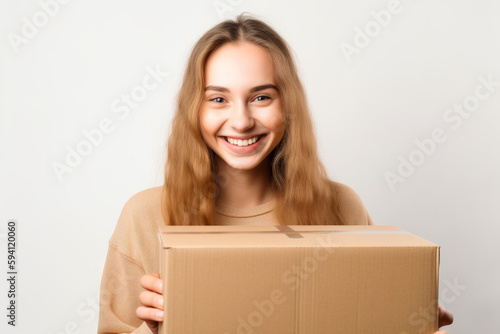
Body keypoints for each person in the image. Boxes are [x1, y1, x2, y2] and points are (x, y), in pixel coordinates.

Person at [97, 13, 453, 334]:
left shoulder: (341, 207)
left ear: (288, 104)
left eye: (261, 97)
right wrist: (154, 330)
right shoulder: (144, 218)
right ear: (195, 109)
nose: (241, 121)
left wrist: (406, 322)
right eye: (218, 99)